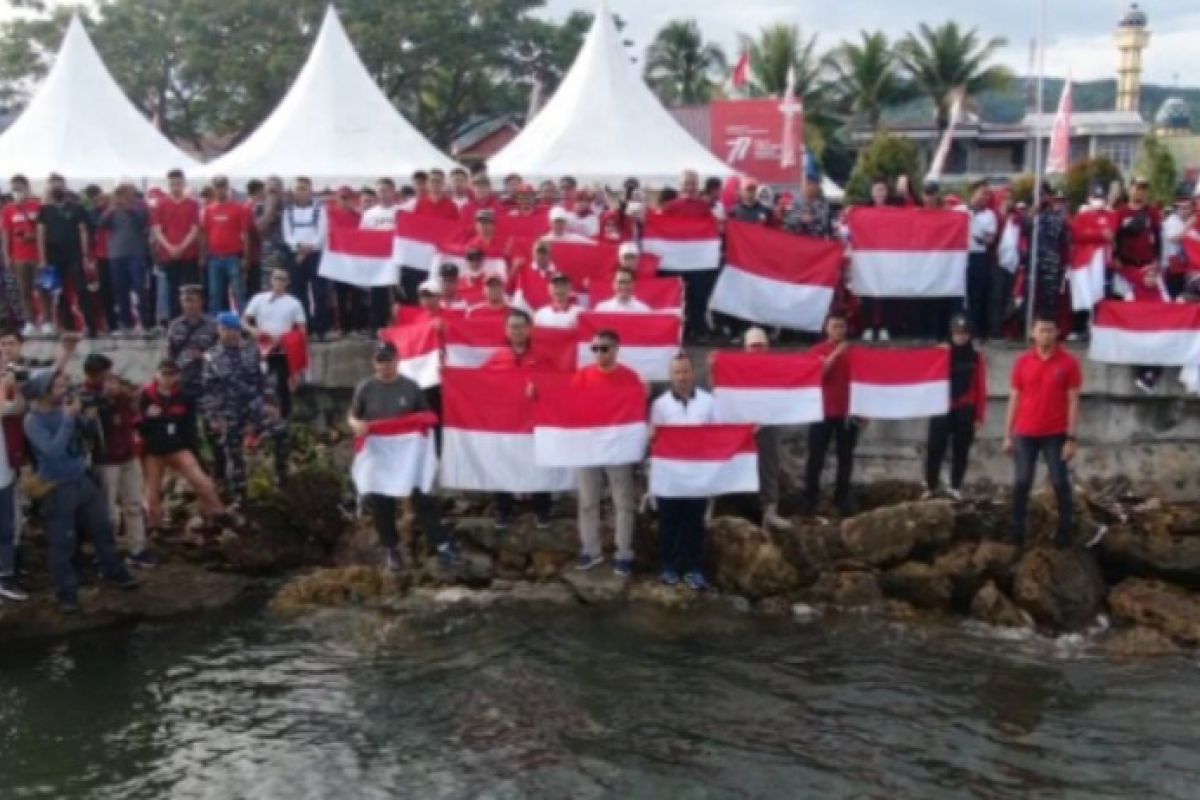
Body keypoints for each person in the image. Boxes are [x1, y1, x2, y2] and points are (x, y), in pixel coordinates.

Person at [23, 368, 138, 613]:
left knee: (102, 528)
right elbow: (52, 452)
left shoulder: (66, 409)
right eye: (57, 388)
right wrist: (68, 418)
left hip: (82, 478)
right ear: (44, 392)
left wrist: (87, 419)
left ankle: (114, 571)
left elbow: (86, 436)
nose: (64, 391)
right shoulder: (33, 421)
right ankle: (67, 593)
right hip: (56, 486)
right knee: (62, 541)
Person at [348, 341, 459, 571]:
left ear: (398, 360)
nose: (386, 365)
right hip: (379, 454)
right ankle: (392, 549)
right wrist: (357, 424)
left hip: (408, 456)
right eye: (381, 361)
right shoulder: (365, 388)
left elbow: (427, 415)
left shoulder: (410, 387)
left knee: (422, 499)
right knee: (382, 504)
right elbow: (353, 416)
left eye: (389, 360)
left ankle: (442, 545)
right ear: (374, 363)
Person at [1005, 316, 1082, 549]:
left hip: (1055, 433)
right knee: (1021, 482)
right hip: (1025, 432)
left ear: (1057, 332)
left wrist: (1071, 437)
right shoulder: (1022, 362)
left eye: (1050, 330)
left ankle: (1065, 532)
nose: (1046, 335)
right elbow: (1014, 398)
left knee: (1060, 482)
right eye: (1042, 330)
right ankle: (1016, 533)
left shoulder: (1069, 363)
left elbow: (1074, 401)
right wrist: (1008, 434)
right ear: (1033, 333)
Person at [572, 329, 643, 577]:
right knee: (588, 501)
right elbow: (568, 407)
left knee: (622, 502)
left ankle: (623, 553)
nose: (599, 353)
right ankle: (591, 549)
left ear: (616, 349)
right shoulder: (581, 376)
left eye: (604, 348)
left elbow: (637, 415)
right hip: (588, 447)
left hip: (617, 448)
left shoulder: (630, 378)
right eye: (595, 348)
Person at [80, 354, 156, 567]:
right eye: (105, 375)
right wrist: (105, 397)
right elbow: (87, 419)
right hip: (105, 458)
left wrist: (127, 395)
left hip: (128, 454)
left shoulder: (120, 393)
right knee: (108, 509)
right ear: (95, 376)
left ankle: (137, 548)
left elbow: (135, 404)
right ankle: (107, 550)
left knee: (133, 502)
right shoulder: (85, 394)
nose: (110, 379)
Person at [482, 310, 553, 529]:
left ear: (529, 328)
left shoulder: (543, 357)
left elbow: (557, 387)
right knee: (503, 465)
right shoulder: (496, 358)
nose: (517, 330)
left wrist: (540, 389)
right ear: (506, 330)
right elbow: (479, 386)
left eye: (521, 326)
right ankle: (503, 511)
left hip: (535, 424)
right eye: (512, 326)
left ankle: (542, 510)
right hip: (506, 424)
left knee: (540, 466)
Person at [650, 352, 715, 591]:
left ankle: (694, 568)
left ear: (693, 372)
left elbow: (720, 434)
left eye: (685, 371)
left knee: (695, 522)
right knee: (669, 522)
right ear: (670, 376)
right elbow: (653, 439)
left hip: (698, 475)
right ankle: (669, 566)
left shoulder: (709, 402)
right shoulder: (659, 405)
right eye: (677, 372)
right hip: (670, 475)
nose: (682, 376)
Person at [139, 358, 226, 532]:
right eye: (164, 374)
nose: (168, 378)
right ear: (157, 375)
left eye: (172, 374)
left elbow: (190, 428)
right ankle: (154, 525)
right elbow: (135, 425)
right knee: (152, 491)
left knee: (201, 481)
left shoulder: (185, 397)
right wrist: (147, 418)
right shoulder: (145, 395)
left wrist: (197, 454)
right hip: (152, 450)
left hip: (178, 447)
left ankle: (218, 514)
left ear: (178, 376)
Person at [201, 312, 270, 502]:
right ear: (219, 330)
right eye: (224, 329)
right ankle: (239, 498)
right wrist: (214, 417)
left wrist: (271, 404)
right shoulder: (211, 357)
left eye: (232, 329)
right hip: (229, 413)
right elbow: (208, 391)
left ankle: (278, 482)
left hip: (256, 410)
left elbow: (263, 380)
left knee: (279, 436)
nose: (229, 333)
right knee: (234, 456)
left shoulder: (252, 351)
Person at [924, 315, 987, 500]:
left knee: (961, 450)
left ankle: (955, 486)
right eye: (957, 333)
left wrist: (979, 416)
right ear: (951, 333)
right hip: (941, 407)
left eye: (964, 333)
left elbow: (981, 387)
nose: (960, 337)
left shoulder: (976, 357)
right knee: (935, 448)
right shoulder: (941, 353)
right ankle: (931, 485)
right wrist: (935, 354)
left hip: (965, 408)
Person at [801, 311, 857, 518]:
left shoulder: (854, 352)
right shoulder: (816, 350)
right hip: (821, 411)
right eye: (834, 326)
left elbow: (861, 382)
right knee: (816, 457)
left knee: (846, 457)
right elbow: (816, 374)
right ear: (826, 328)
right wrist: (835, 355)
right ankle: (810, 498)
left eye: (842, 327)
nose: (838, 331)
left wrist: (863, 409)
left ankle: (842, 497)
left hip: (846, 413)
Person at [742, 327, 792, 530]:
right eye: (753, 346)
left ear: (767, 348)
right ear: (746, 348)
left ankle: (770, 511)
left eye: (760, 346)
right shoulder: (736, 369)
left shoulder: (776, 368)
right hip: (741, 427)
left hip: (769, 424)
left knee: (769, 466)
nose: (757, 350)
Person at [243, 268, 307, 419]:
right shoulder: (258, 299)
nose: (279, 282)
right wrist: (253, 330)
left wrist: (285, 338)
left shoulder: (294, 303)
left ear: (288, 282)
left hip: (282, 350)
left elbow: (302, 330)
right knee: (256, 383)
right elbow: (244, 320)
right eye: (276, 278)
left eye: (282, 279)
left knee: (282, 387)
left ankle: (284, 419)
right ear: (271, 280)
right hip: (261, 348)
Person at [37, 175, 93, 334]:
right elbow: (41, 233)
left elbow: (83, 231)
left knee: (82, 289)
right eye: (53, 185)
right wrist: (42, 259)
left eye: (59, 184)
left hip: (74, 254)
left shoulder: (76, 207)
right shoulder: (45, 210)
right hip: (53, 256)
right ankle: (68, 325)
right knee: (58, 292)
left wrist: (84, 254)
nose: (57, 187)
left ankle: (90, 325)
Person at [98, 181, 152, 334]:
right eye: (121, 193)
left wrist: (130, 209)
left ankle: (145, 323)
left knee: (139, 288)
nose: (124, 196)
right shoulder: (112, 209)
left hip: (135, 253)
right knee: (120, 289)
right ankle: (125, 323)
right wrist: (111, 208)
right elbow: (101, 224)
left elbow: (143, 222)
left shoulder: (140, 206)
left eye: (127, 192)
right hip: (116, 254)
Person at [281, 176, 329, 338]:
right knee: (298, 291)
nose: (301, 192)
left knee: (319, 292)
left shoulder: (320, 209)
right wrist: (299, 249)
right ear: (293, 192)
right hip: (296, 254)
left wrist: (309, 248)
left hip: (316, 254)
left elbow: (322, 233)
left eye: (304, 188)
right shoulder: (288, 211)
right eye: (298, 189)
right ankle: (305, 328)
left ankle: (321, 328)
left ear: (311, 191)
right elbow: (287, 235)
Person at [151, 169, 201, 320]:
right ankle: (175, 320)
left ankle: (191, 318)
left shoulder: (192, 204)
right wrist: (169, 247)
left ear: (184, 184)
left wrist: (182, 246)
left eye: (178, 184)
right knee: (173, 289)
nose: (175, 187)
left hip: (189, 253)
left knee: (189, 289)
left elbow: (195, 229)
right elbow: (157, 229)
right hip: (168, 254)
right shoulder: (162, 204)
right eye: (172, 184)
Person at [2, 174, 47, 335]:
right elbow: (6, 233)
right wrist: (7, 256)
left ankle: (47, 320)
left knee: (42, 289)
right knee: (24, 290)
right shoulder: (8, 210)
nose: (17, 192)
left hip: (37, 255)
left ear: (27, 188)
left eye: (19, 189)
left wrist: (33, 237)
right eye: (14, 190)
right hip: (19, 256)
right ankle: (30, 321)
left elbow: (44, 230)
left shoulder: (37, 206)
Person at [202, 176, 251, 313]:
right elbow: (205, 234)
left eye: (222, 187)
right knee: (215, 294)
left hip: (233, 257)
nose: (220, 191)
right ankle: (214, 327)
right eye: (217, 187)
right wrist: (203, 255)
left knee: (238, 293)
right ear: (213, 189)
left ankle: (244, 325)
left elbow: (245, 234)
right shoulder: (208, 210)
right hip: (214, 258)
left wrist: (246, 257)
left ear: (227, 188)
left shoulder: (238, 209)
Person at [0, 359, 24, 601]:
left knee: (6, 531)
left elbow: (16, 408)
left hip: (4, 474)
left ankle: (6, 578)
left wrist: (14, 387)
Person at [966, 181, 998, 338]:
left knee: (977, 294)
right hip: (960, 256)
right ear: (974, 192)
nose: (985, 197)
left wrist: (981, 238)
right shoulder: (960, 210)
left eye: (988, 194)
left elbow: (990, 238)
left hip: (978, 256)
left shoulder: (989, 215)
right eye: (982, 193)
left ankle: (975, 329)